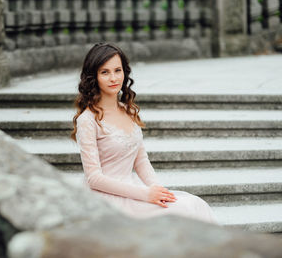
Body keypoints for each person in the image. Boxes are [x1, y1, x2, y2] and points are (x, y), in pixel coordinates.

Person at [71, 42, 218, 224]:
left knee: (196, 204)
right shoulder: (87, 120)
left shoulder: (128, 110)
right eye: (105, 72)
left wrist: (158, 190)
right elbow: (94, 178)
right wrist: (146, 194)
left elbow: (141, 160)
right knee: (184, 211)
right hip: (107, 196)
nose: (113, 78)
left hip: (134, 188)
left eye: (118, 70)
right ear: (94, 77)